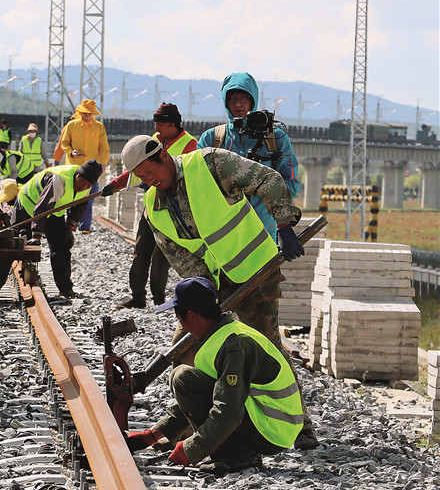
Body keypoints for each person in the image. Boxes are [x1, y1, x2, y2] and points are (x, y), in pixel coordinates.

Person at [120, 134, 318, 449]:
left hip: (255, 269)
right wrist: (202, 297)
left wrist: (283, 225)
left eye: (149, 172)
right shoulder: (153, 207)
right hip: (213, 284)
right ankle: (190, 423)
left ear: (162, 157)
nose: (149, 181)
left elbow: (267, 179)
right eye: (141, 178)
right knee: (184, 348)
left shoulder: (209, 163)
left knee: (265, 344)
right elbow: (181, 257)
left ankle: (300, 426)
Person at [125, 277, 303, 472]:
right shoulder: (224, 335)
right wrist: (152, 435)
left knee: (182, 378)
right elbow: (206, 394)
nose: (182, 325)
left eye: (180, 319)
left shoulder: (235, 345)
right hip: (265, 419)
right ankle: (235, 452)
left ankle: (238, 456)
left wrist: (192, 449)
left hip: (273, 429)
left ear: (191, 316)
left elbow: (228, 410)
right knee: (185, 378)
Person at [105, 102, 197, 308]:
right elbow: (134, 171)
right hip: (152, 204)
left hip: (173, 207)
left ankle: (159, 300)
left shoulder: (190, 144)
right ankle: (137, 296)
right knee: (141, 249)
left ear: (172, 124)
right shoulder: (153, 142)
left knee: (162, 256)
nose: (156, 129)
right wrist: (113, 186)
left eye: (159, 124)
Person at [197, 73, 300, 239]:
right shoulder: (212, 139)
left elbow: (291, 185)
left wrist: (264, 191)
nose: (238, 103)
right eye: (232, 98)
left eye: (243, 97)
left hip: (264, 231)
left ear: (253, 99)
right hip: (223, 233)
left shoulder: (275, 138)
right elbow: (198, 184)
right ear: (225, 102)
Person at [0, 159, 102, 300]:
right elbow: (42, 208)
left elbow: (80, 204)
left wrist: (71, 224)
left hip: (54, 212)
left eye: (89, 185)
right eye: (83, 182)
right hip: (28, 206)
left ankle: (65, 289)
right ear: (77, 175)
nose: (84, 187)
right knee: (12, 246)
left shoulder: (87, 185)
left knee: (61, 248)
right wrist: (36, 235)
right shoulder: (59, 180)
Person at [55, 99, 109, 233]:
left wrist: (103, 164)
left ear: (93, 114)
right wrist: (70, 151)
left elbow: (104, 148)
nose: (87, 115)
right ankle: (69, 223)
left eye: (90, 113)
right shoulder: (71, 125)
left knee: (89, 198)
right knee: (69, 196)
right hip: (73, 168)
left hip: (92, 170)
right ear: (80, 112)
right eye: (85, 113)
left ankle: (85, 227)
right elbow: (64, 143)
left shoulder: (99, 127)